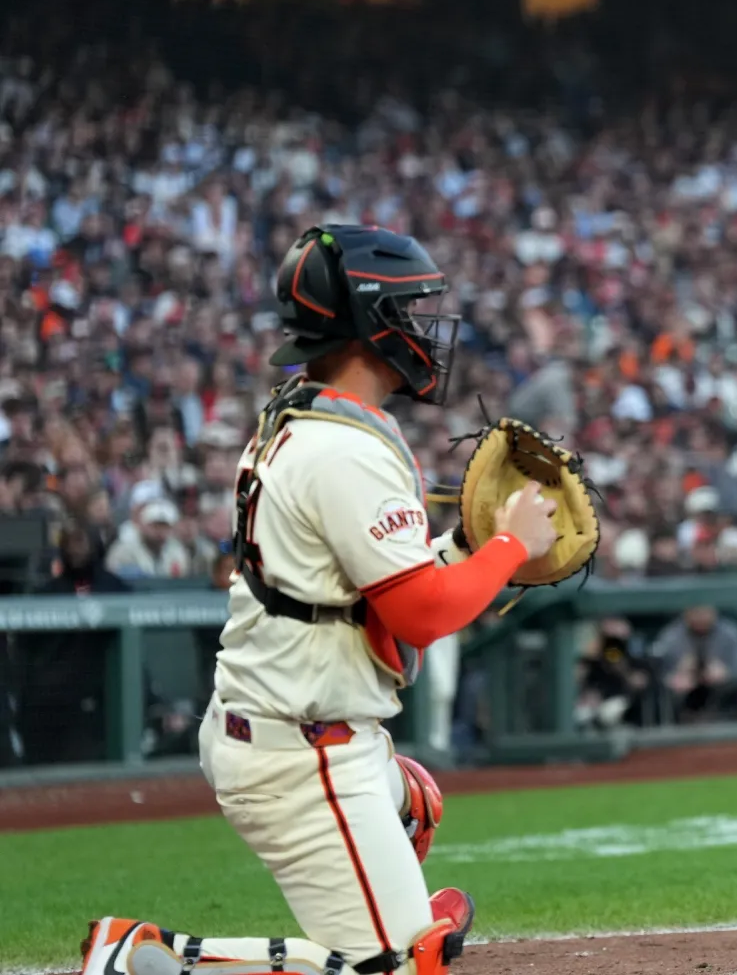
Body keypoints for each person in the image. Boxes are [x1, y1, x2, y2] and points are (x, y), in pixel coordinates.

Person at [77, 225, 560, 975]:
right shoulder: (344, 449)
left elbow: (358, 594)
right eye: (411, 311)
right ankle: (140, 959)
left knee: (412, 804)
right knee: (396, 968)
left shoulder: (305, 418)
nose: (427, 330)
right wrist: (509, 546)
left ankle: (386, 897)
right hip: (298, 748)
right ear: (372, 323)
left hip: (290, 725)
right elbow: (421, 614)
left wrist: (466, 550)